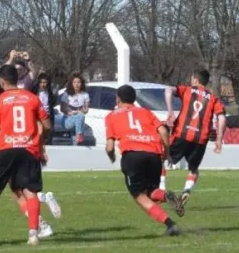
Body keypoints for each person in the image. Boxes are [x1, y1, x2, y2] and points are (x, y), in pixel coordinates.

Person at [0, 64, 52, 246]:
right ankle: (33, 234)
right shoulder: (32, 98)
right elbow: (47, 126)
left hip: (6, 151)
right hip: (28, 151)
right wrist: (40, 142)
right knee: (30, 192)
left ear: (1, 81)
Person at [0, 79, 61, 239]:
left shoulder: (2, 104)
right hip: (23, 151)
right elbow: (40, 126)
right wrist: (40, 148)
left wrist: (40, 149)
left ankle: (42, 212)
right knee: (17, 191)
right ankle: (41, 225)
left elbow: (39, 126)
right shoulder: (21, 102)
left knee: (20, 191)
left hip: (11, 153)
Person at [105, 85, 183, 234]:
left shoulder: (111, 116)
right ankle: (166, 195)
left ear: (118, 99)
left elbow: (109, 147)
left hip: (132, 156)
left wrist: (112, 156)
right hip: (153, 154)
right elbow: (163, 131)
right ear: (134, 99)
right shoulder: (146, 112)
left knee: (139, 195)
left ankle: (170, 224)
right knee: (152, 191)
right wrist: (166, 153)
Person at [163, 69, 226, 209]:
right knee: (194, 170)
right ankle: (186, 191)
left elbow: (168, 90)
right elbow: (221, 117)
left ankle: (161, 189)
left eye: (192, 78)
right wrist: (219, 138)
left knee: (161, 158)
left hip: (181, 133)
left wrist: (170, 112)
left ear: (195, 80)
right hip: (200, 139)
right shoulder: (213, 98)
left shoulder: (187, 90)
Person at [58, 73, 90, 145]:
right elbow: (62, 109)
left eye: (78, 82)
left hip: (79, 120)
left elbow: (86, 110)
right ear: (71, 83)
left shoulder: (85, 95)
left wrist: (82, 110)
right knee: (80, 116)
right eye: (74, 82)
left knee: (81, 116)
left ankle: (78, 138)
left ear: (82, 83)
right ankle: (79, 134)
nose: (76, 84)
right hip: (67, 120)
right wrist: (71, 112)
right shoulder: (66, 94)